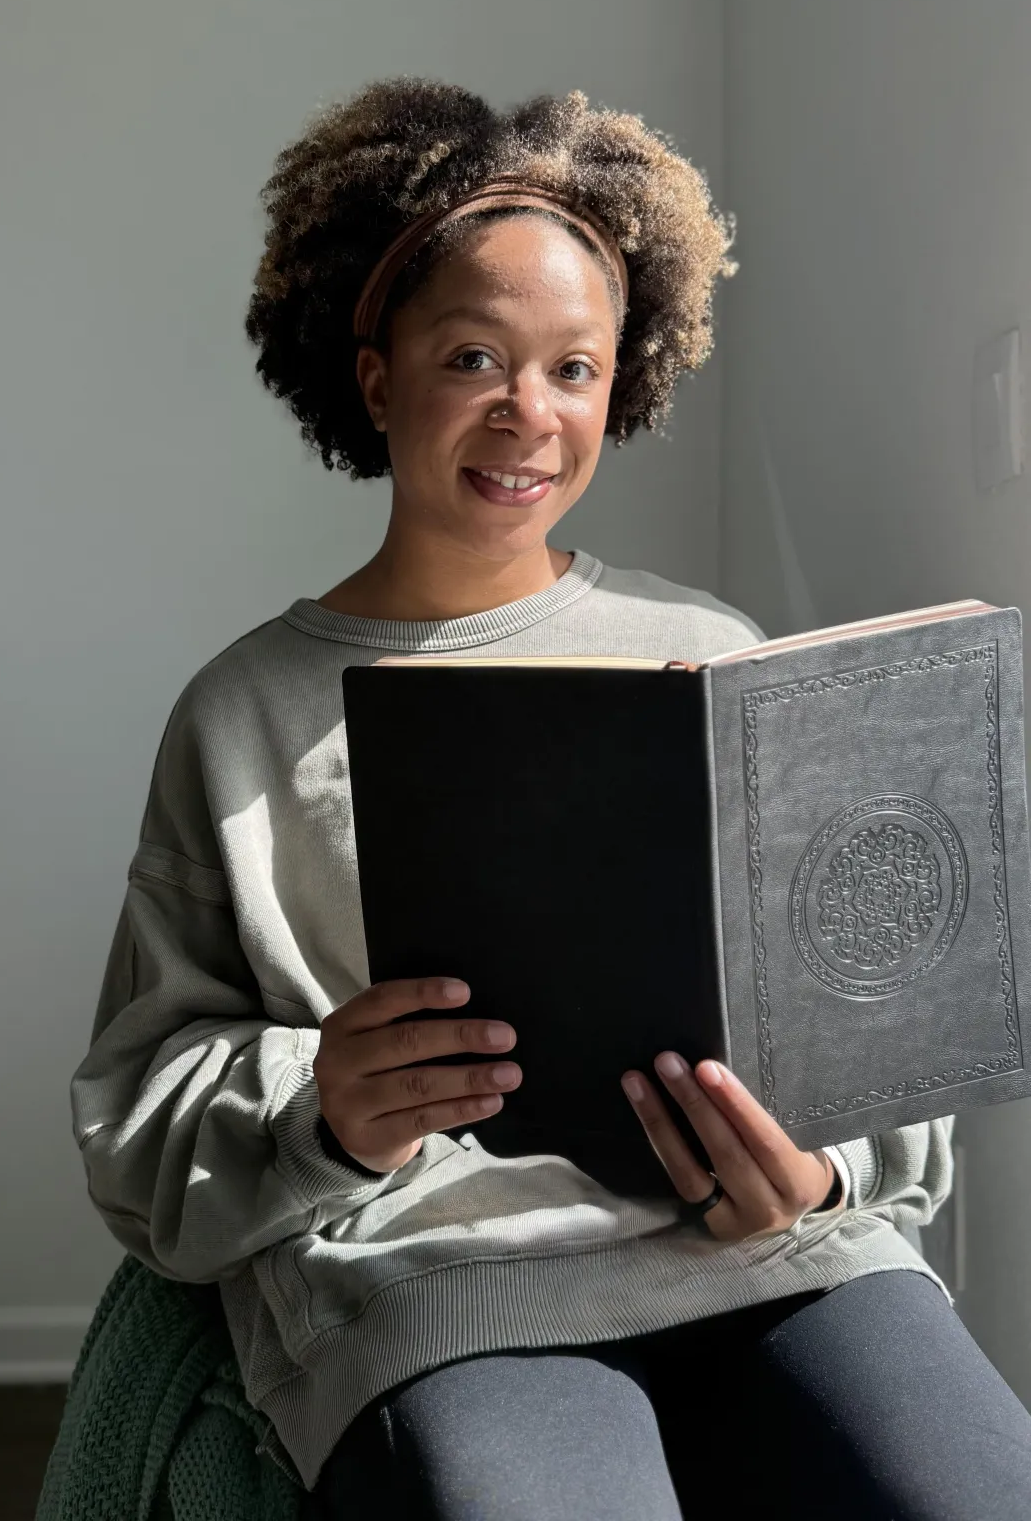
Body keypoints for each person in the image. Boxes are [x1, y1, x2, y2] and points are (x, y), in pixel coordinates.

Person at [70, 77, 1031, 1519]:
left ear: (620, 384)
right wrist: (328, 1103)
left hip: (771, 1249)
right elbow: (144, 1107)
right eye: (474, 355)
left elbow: (866, 1029)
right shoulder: (243, 713)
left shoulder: (710, 650)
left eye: (574, 369)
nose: (530, 413)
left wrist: (823, 1178)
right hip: (440, 1280)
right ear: (378, 372)